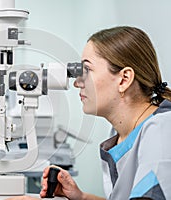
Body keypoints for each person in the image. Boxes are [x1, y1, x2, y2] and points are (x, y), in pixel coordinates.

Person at [11, 26, 171, 200]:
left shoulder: (161, 130)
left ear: (124, 79)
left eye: (86, 70)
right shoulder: (121, 134)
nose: (77, 83)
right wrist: (82, 197)